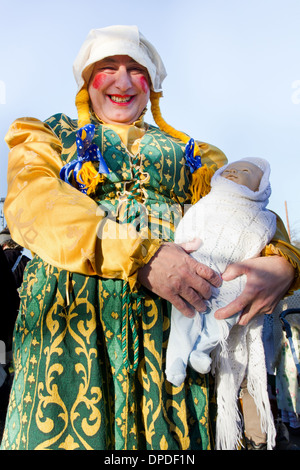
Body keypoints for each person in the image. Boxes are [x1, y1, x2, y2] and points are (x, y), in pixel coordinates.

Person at [1, 25, 299, 451]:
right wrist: (143, 256)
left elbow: (239, 210)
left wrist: (282, 263)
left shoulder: (195, 155)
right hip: (72, 331)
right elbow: (34, 202)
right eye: (108, 68)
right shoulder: (47, 137)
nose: (122, 82)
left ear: (153, 86)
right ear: (87, 80)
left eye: (136, 70)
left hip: (171, 332)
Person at [166, 157, 277, 449]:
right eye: (233, 169)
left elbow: (265, 237)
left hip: (229, 277)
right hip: (187, 267)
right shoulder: (205, 204)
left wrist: (285, 263)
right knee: (184, 317)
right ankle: (177, 358)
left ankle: (202, 348)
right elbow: (189, 225)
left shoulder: (200, 154)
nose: (236, 172)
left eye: (246, 173)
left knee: (226, 316)